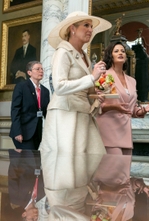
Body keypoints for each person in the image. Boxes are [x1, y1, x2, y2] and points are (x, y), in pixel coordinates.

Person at [39, 11, 112, 220]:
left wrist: (95, 92)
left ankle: (78, 202)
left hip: (82, 113)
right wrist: (91, 78)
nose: (90, 30)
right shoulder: (63, 52)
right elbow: (60, 87)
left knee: (92, 155)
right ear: (72, 29)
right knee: (66, 163)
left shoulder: (83, 54)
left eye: (91, 26)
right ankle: (63, 208)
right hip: (65, 114)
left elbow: (83, 86)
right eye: (86, 26)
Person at [96, 41, 149, 155]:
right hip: (108, 129)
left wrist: (142, 110)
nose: (120, 53)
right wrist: (114, 107)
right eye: (116, 51)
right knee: (112, 170)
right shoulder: (104, 76)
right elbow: (96, 104)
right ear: (110, 55)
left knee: (124, 171)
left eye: (123, 51)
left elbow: (131, 108)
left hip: (125, 131)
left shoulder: (132, 81)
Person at [9, 61, 50, 151]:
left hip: (37, 133)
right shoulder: (21, 87)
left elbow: (47, 112)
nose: (41, 71)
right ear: (29, 72)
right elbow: (15, 110)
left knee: (33, 162)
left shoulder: (45, 91)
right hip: (23, 132)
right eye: (38, 69)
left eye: (42, 69)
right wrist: (17, 132)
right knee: (28, 162)